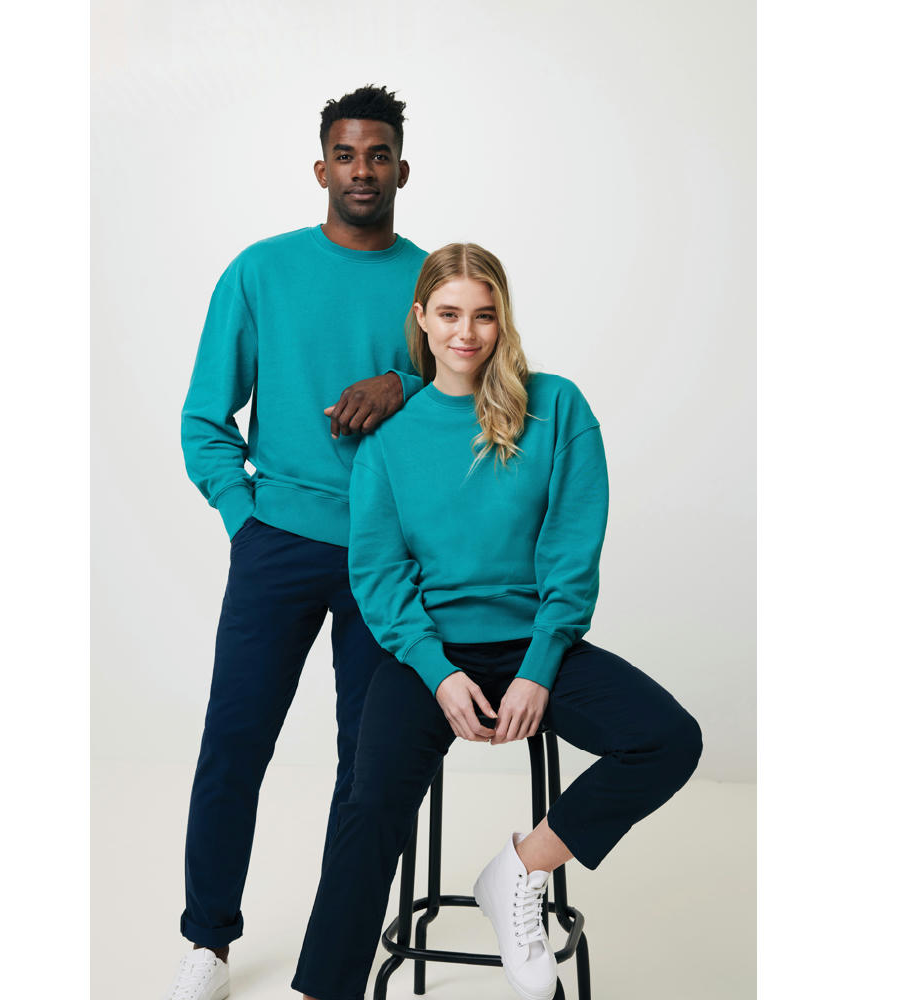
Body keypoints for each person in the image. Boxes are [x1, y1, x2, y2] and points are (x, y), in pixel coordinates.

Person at [291, 244, 704, 1000]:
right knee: (369, 802)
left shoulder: (557, 408)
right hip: (429, 656)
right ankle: (324, 991)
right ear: (421, 318)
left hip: (536, 644)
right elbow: (378, 573)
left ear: (502, 319)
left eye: (484, 315)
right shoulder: (389, 438)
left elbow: (572, 551)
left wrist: (539, 669)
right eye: (449, 314)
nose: (466, 333)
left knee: (669, 738)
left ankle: (519, 870)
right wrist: (437, 673)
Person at [165, 85, 428, 1000]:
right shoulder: (261, 271)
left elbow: (478, 391)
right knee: (234, 743)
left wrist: (402, 383)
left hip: (389, 557)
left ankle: (331, 972)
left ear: (403, 168)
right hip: (276, 543)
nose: (363, 171)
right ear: (322, 168)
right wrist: (246, 520)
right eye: (346, 155)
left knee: (371, 767)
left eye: (379, 154)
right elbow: (204, 419)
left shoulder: (432, 283)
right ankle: (207, 942)